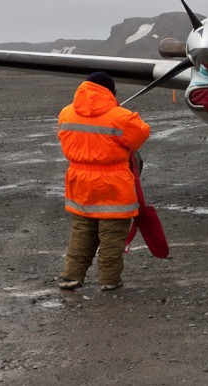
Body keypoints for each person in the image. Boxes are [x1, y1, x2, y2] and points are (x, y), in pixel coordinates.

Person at [56, 72, 151, 291]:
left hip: (79, 182)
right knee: (112, 235)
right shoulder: (121, 116)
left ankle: (71, 276)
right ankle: (109, 280)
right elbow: (141, 134)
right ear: (111, 92)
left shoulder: (66, 113)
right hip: (113, 184)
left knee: (81, 231)